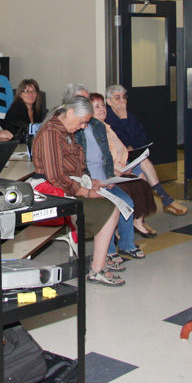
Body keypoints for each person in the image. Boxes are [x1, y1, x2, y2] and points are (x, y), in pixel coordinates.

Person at [32, 95, 123, 287]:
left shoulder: (64, 130)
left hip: (68, 188)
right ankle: (97, 269)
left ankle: (99, 265)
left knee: (112, 207)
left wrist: (91, 182)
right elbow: (56, 177)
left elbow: (73, 169)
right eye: (82, 122)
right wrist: (87, 192)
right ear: (71, 113)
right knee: (109, 209)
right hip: (52, 194)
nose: (83, 127)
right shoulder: (51, 133)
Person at [104, 84, 189, 216]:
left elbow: (140, 136)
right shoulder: (108, 119)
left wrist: (133, 146)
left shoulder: (130, 116)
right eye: (117, 98)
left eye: (124, 97)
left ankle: (154, 207)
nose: (122, 101)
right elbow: (120, 141)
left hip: (130, 156)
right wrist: (123, 120)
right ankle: (164, 198)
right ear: (109, 101)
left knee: (143, 161)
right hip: (117, 160)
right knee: (143, 168)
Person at [89, 92, 158, 239]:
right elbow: (102, 159)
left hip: (121, 166)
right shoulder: (94, 131)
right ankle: (124, 231)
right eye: (97, 107)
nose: (102, 109)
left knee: (141, 176)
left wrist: (126, 164)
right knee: (136, 181)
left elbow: (137, 138)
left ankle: (137, 221)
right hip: (110, 172)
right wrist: (123, 119)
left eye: (102, 106)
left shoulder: (106, 126)